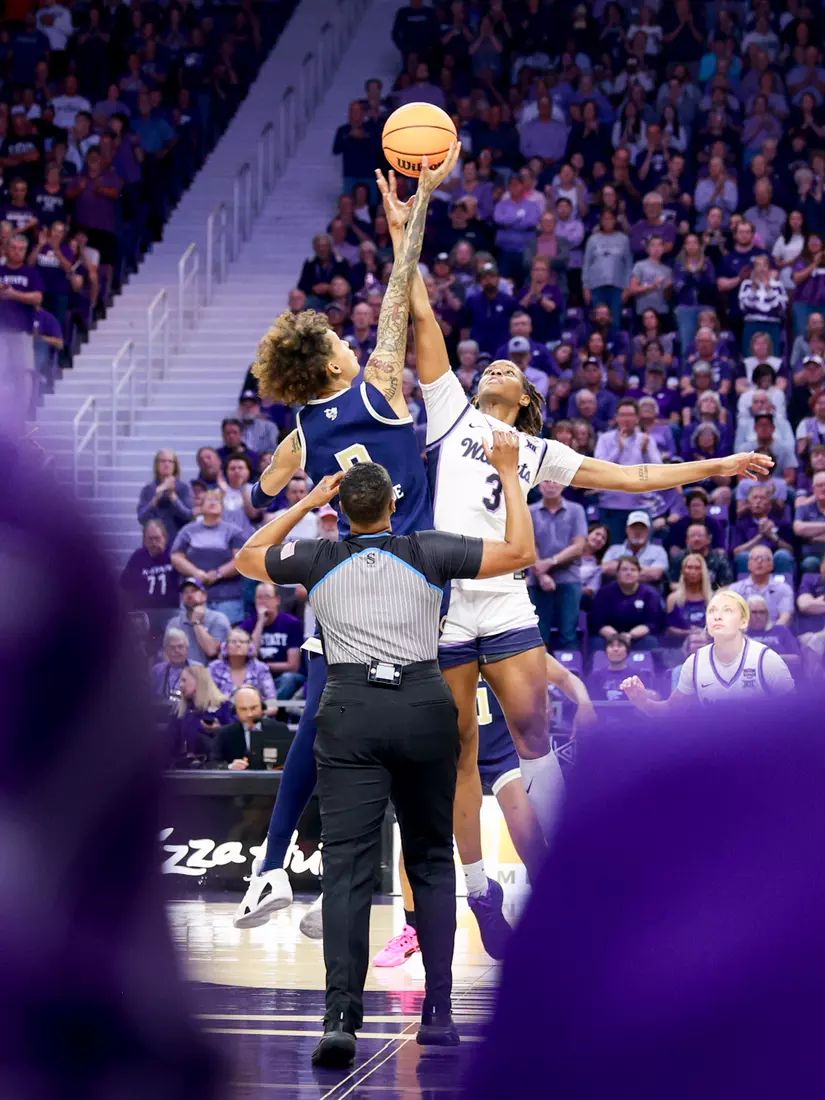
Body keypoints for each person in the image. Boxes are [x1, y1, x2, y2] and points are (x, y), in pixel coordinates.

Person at [395, 164, 774, 959]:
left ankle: (563, 882)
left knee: (533, 730)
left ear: (526, 398)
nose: (493, 366)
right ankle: (477, 895)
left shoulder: (535, 449)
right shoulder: (449, 409)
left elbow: (633, 477)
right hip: (445, 603)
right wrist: (407, 231)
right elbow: (421, 315)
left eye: (505, 369)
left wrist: (715, 466)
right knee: (459, 750)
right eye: (488, 364)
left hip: (501, 600)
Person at [234, 433, 535, 1066]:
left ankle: (340, 1018)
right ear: (393, 509)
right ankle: (439, 1013)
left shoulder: (316, 556)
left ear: (343, 511)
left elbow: (246, 556)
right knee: (429, 859)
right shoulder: (427, 550)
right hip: (425, 707)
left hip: (348, 711)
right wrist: (508, 474)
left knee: (346, 870)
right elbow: (520, 551)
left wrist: (306, 497)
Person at [231, 150, 460, 935]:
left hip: (340, 582)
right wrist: (417, 204)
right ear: (334, 358)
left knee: (328, 718)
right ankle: (360, 887)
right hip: (412, 579)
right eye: (337, 335)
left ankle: (272, 868)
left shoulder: (298, 431)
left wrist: (304, 483)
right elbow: (401, 288)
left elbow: (262, 489)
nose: (347, 337)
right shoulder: (380, 383)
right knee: (413, 731)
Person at [374, 653, 596, 969]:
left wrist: (585, 703)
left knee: (531, 837)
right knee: (416, 839)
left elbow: (565, 677)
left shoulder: (503, 636)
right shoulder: (440, 643)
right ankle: (414, 928)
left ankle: (553, 921)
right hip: (454, 753)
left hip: (502, 751)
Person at [622, 589, 794, 710]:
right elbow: (670, 711)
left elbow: (792, 712)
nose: (719, 617)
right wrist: (643, 702)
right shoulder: (695, 664)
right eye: (713, 612)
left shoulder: (766, 660)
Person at [169, 488, 245, 623]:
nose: (213, 502)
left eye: (217, 500)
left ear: (223, 508)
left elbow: (240, 560)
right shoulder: (188, 531)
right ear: (200, 507)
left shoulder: (234, 532)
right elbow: (176, 557)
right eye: (209, 500)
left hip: (227, 599)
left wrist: (218, 573)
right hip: (193, 598)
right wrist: (197, 573)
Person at [528, 480, 587, 650]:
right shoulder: (530, 511)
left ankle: (571, 671)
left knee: (568, 633)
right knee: (538, 635)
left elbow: (578, 546)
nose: (551, 486)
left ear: (563, 485)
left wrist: (550, 562)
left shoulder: (576, 510)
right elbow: (529, 544)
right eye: (546, 482)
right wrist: (541, 574)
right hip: (537, 578)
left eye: (556, 482)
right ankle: (539, 675)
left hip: (569, 577)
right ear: (539, 485)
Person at [238, 583, 304, 699]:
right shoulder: (247, 625)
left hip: (282, 676)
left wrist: (263, 666)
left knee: (288, 679)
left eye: (267, 597)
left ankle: (267, 709)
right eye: (259, 597)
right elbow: (249, 656)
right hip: (257, 677)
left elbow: (293, 665)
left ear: (277, 600)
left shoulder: (292, 624)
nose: (263, 601)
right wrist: (260, 623)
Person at [119, 519, 179, 642]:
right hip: (143, 612)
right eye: (150, 539)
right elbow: (124, 584)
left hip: (170, 611)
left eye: (157, 538)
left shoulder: (175, 556)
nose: (154, 543)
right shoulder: (138, 557)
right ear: (144, 540)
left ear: (165, 538)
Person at [590, 556, 664, 652]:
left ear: (639, 573)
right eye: (624, 569)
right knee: (597, 642)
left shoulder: (650, 594)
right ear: (617, 573)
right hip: (610, 636)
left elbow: (652, 623)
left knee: (650, 641)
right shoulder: (604, 593)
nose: (628, 573)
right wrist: (617, 637)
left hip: (637, 637)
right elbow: (598, 623)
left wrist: (630, 635)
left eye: (633, 570)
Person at [210, 686, 292, 770]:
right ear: (235, 710)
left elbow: (291, 761)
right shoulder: (225, 734)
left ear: (262, 706)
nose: (249, 714)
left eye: (253, 708)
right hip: (238, 781)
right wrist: (229, 767)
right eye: (243, 709)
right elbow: (212, 763)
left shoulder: (279, 729)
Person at [170, 665, 234, 766]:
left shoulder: (224, 706)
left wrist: (218, 730)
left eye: (184, 680)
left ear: (198, 681)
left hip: (217, 767)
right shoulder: (181, 711)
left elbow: (234, 739)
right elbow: (171, 743)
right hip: (186, 766)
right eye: (180, 681)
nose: (181, 685)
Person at [207, 628, 277, 710]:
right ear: (225, 646)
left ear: (250, 647)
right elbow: (206, 699)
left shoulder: (261, 668)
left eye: (243, 642)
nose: (238, 645)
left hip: (255, 718)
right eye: (233, 641)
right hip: (221, 718)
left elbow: (272, 702)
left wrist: (258, 713)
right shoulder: (214, 668)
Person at [166, 578, 232, 665]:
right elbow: (167, 654)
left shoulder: (218, 618)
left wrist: (196, 622)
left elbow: (212, 651)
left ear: (204, 596)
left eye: (194, 591)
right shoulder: (174, 623)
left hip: (211, 675)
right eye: (185, 592)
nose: (189, 595)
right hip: (182, 675)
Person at [136, 449, 194, 539]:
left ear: (175, 466)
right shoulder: (148, 489)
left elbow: (189, 517)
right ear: (157, 465)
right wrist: (156, 498)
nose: (167, 464)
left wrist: (173, 497)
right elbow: (142, 519)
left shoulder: (184, 488)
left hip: (177, 541)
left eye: (170, 461)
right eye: (163, 461)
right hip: (154, 542)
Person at [730, 547, 795, 626]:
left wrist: (770, 634)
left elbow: (786, 617)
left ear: (771, 565)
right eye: (755, 558)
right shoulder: (735, 589)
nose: (759, 561)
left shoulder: (784, 589)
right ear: (749, 565)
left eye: (764, 558)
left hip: (775, 634)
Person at [601, 510, 668, 587]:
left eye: (642, 528)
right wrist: (644, 569)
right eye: (634, 528)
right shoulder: (614, 549)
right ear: (627, 530)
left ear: (648, 531)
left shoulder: (658, 551)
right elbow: (605, 569)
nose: (638, 532)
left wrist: (620, 567)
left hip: (647, 596)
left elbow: (655, 574)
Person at [666, 554, 713, 642]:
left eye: (697, 568)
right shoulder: (673, 599)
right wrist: (689, 633)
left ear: (703, 571)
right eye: (689, 567)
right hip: (680, 645)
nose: (692, 572)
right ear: (683, 571)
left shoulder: (714, 599)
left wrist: (705, 634)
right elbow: (670, 629)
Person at [151, 628, 201, 701]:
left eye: (180, 647)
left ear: (187, 649)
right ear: (166, 650)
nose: (176, 651)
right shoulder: (157, 670)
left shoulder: (199, 669)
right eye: (172, 648)